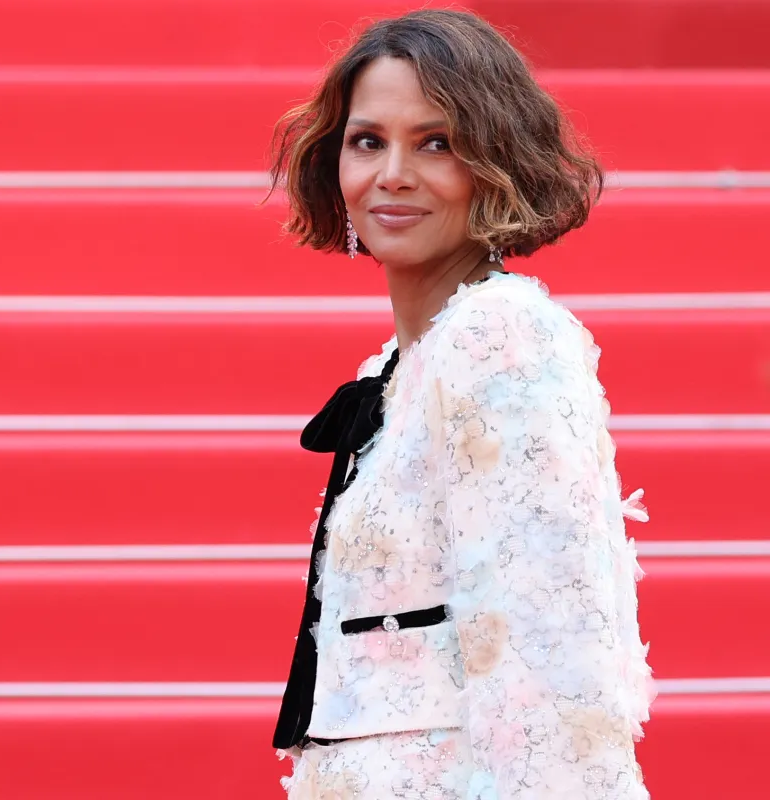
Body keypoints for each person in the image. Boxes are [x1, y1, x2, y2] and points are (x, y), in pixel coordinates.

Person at [267, 10, 654, 799]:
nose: (394, 174)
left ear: (496, 161)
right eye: (368, 140)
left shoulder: (500, 337)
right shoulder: (402, 365)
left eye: (436, 143)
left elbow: (552, 648)